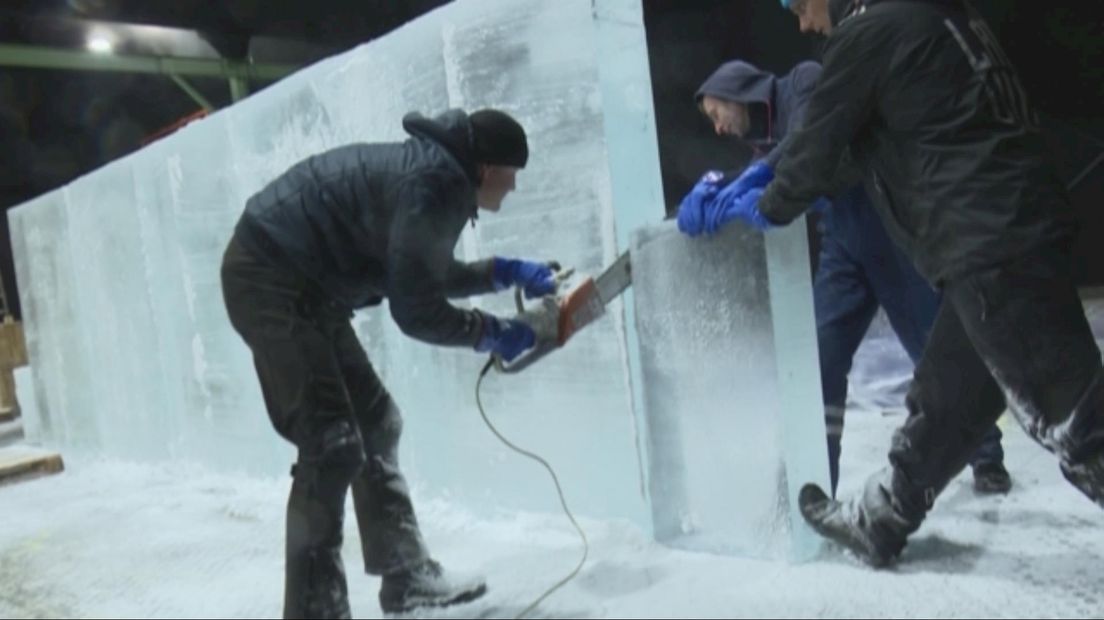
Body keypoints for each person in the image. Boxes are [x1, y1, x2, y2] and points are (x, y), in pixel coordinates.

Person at [686, 0, 1104, 567]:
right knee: (950, 397)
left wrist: (764, 204)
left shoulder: (871, 32)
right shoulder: (941, 18)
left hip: (990, 243)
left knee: (1078, 421)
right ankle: (882, 516)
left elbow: (817, 147)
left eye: (800, 5)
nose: (804, 23)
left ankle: (894, 508)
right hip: (1003, 232)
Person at [221, 108, 556, 617]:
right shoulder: (437, 182)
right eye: (512, 177)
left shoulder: (439, 175)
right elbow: (415, 310)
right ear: (487, 169)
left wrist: (501, 273)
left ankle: (407, 579)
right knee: (330, 443)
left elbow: (418, 272)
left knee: (376, 423)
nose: (511, 191)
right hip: (269, 276)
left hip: (306, 287)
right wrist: (488, 333)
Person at [686, 58, 1010, 497]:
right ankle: (816, 475)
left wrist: (750, 177)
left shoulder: (799, 81)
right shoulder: (761, 145)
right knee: (821, 358)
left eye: (715, 114)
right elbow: (772, 177)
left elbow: (808, 137)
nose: (718, 127)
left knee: (933, 349)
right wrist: (712, 192)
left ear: (734, 90)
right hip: (843, 245)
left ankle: (986, 453)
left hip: (889, 233)